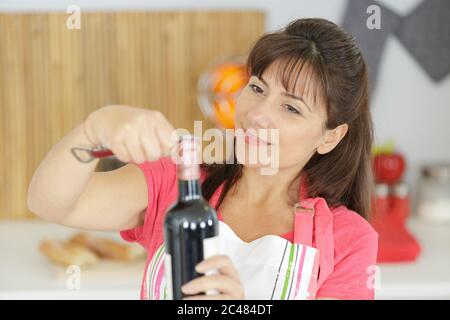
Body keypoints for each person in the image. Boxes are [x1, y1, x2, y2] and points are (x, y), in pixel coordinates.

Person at [28, 18, 378, 300]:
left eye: (290, 107)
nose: (257, 115)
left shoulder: (349, 240)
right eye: (257, 88)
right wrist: (93, 130)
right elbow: (51, 204)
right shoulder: (176, 182)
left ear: (330, 135)